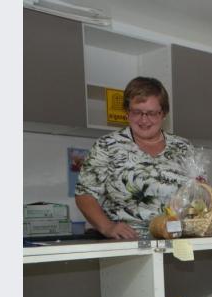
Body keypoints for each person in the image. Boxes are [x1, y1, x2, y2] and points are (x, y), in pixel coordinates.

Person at [75, 76, 195, 239]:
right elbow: (85, 195)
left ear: (163, 114)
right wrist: (107, 227)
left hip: (178, 243)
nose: (144, 120)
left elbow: (199, 194)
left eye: (152, 113)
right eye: (137, 112)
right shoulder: (107, 146)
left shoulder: (183, 147)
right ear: (127, 112)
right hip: (127, 247)